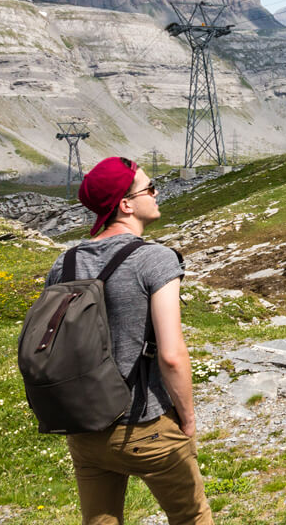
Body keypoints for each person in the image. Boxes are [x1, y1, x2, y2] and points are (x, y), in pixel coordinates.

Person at [45, 156, 213, 525]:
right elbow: (171, 355)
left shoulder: (64, 264)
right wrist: (186, 421)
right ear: (125, 204)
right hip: (146, 424)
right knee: (192, 517)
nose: (156, 194)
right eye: (149, 188)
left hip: (84, 428)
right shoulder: (155, 260)